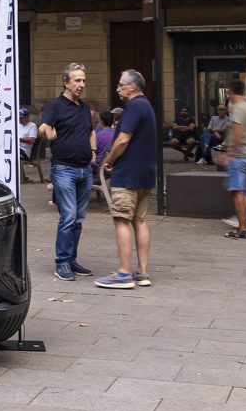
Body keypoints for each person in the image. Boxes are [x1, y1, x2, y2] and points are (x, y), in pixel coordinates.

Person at [94, 70, 158, 289]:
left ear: (133, 86)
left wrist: (110, 160)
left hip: (128, 173)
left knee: (121, 219)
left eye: (121, 85)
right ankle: (142, 271)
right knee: (139, 221)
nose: (118, 88)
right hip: (145, 173)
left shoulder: (134, 107)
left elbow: (122, 139)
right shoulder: (147, 106)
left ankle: (123, 273)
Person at [39, 62, 96, 281]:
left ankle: (71, 260)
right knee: (69, 216)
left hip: (85, 170)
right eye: (77, 80)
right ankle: (61, 262)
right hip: (64, 169)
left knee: (78, 218)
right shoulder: (56, 105)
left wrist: (93, 150)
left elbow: (91, 131)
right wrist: (47, 133)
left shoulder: (84, 107)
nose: (82, 84)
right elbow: (43, 127)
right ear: (66, 82)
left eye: (83, 80)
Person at [223, 80, 246, 239]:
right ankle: (243, 224)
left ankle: (243, 228)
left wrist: (230, 153)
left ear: (230, 93)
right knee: (242, 191)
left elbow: (237, 134)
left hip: (240, 156)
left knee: (237, 192)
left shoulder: (237, 109)